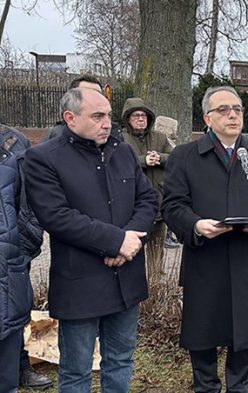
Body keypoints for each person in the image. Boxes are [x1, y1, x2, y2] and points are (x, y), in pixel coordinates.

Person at [23, 87, 159, 391]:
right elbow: (56, 216)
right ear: (70, 118)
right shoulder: (43, 158)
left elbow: (147, 200)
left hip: (127, 277)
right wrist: (116, 242)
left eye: (109, 115)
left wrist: (129, 242)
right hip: (80, 282)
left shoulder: (122, 151)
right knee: (75, 370)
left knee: (121, 360)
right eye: (97, 116)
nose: (107, 122)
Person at [162, 86, 248, 392]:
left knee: (244, 336)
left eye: (238, 109)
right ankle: (206, 387)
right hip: (206, 260)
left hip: (247, 260)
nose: (233, 114)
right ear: (207, 117)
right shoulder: (185, 156)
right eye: (223, 110)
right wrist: (195, 224)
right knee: (203, 334)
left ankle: (239, 387)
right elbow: (172, 205)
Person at [0, 124, 44, 392]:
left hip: (8, 260)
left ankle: (19, 371)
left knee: (10, 324)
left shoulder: (13, 143)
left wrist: (19, 249)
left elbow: (31, 205)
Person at [121, 98, 173, 280]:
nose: (140, 119)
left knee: (157, 251)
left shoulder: (160, 137)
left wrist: (159, 158)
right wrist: (143, 160)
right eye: (135, 115)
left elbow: (175, 158)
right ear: (128, 119)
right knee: (132, 249)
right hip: (133, 207)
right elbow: (119, 162)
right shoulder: (121, 139)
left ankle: (155, 286)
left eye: (143, 115)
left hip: (158, 202)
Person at [41, 74, 123, 142]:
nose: (94, 97)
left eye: (97, 94)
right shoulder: (57, 135)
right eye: (87, 93)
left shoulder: (114, 134)